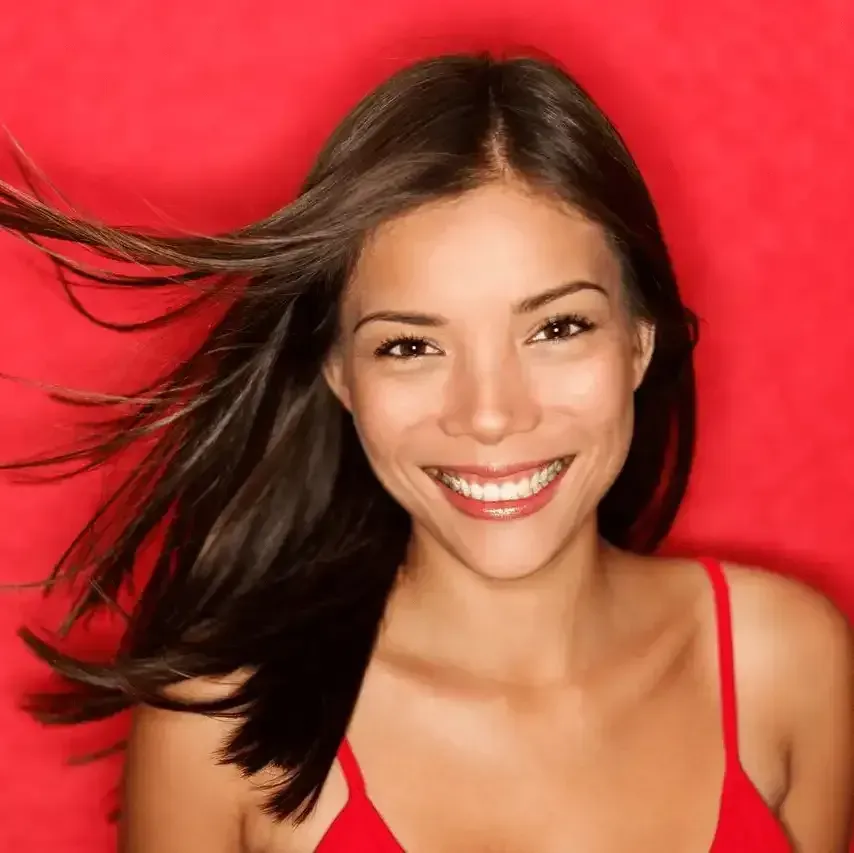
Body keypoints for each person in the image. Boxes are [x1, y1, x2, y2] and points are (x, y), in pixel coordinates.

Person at [0, 51, 851, 853]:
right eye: (410, 346)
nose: (489, 414)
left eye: (557, 328)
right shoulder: (220, 733)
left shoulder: (787, 662)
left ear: (638, 342)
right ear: (339, 371)